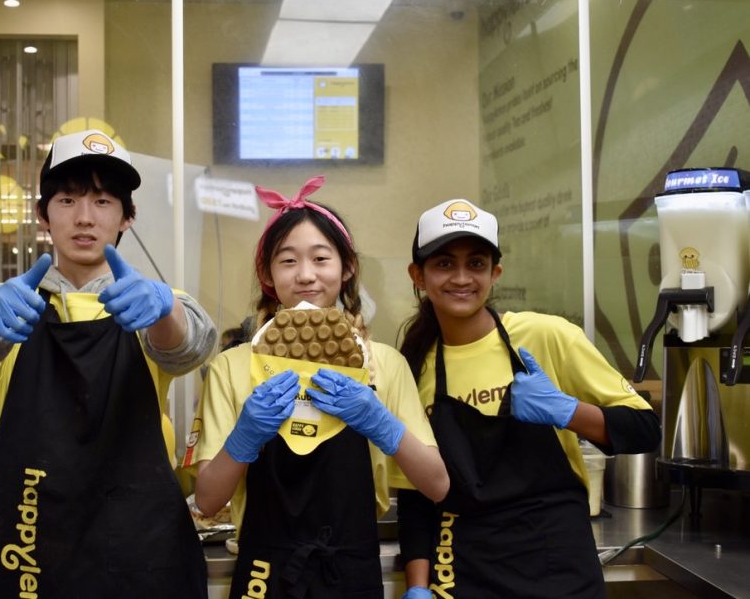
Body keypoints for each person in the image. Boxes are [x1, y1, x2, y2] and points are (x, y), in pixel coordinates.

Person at [0, 129, 217, 598]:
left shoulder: (151, 306)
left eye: (104, 201)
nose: (85, 217)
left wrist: (163, 305)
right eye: (67, 200)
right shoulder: (17, 305)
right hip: (29, 541)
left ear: (127, 216)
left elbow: (187, 343)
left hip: (138, 547)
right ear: (42, 214)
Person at [185, 175, 449, 598]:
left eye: (321, 259)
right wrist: (244, 437)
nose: (306, 276)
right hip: (263, 574)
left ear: (346, 268)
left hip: (350, 571)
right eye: (287, 261)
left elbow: (437, 485)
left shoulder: (385, 365)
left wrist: (379, 422)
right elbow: (208, 500)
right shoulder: (232, 368)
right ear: (268, 274)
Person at [397, 199, 662, 598]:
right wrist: (417, 588)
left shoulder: (546, 336)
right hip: (465, 567)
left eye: (476, 263)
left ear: (495, 273)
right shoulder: (414, 367)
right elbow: (416, 497)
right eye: (444, 263)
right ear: (418, 275)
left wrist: (567, 410)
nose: (462, 278)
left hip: (557, 559)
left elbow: (645, 430)